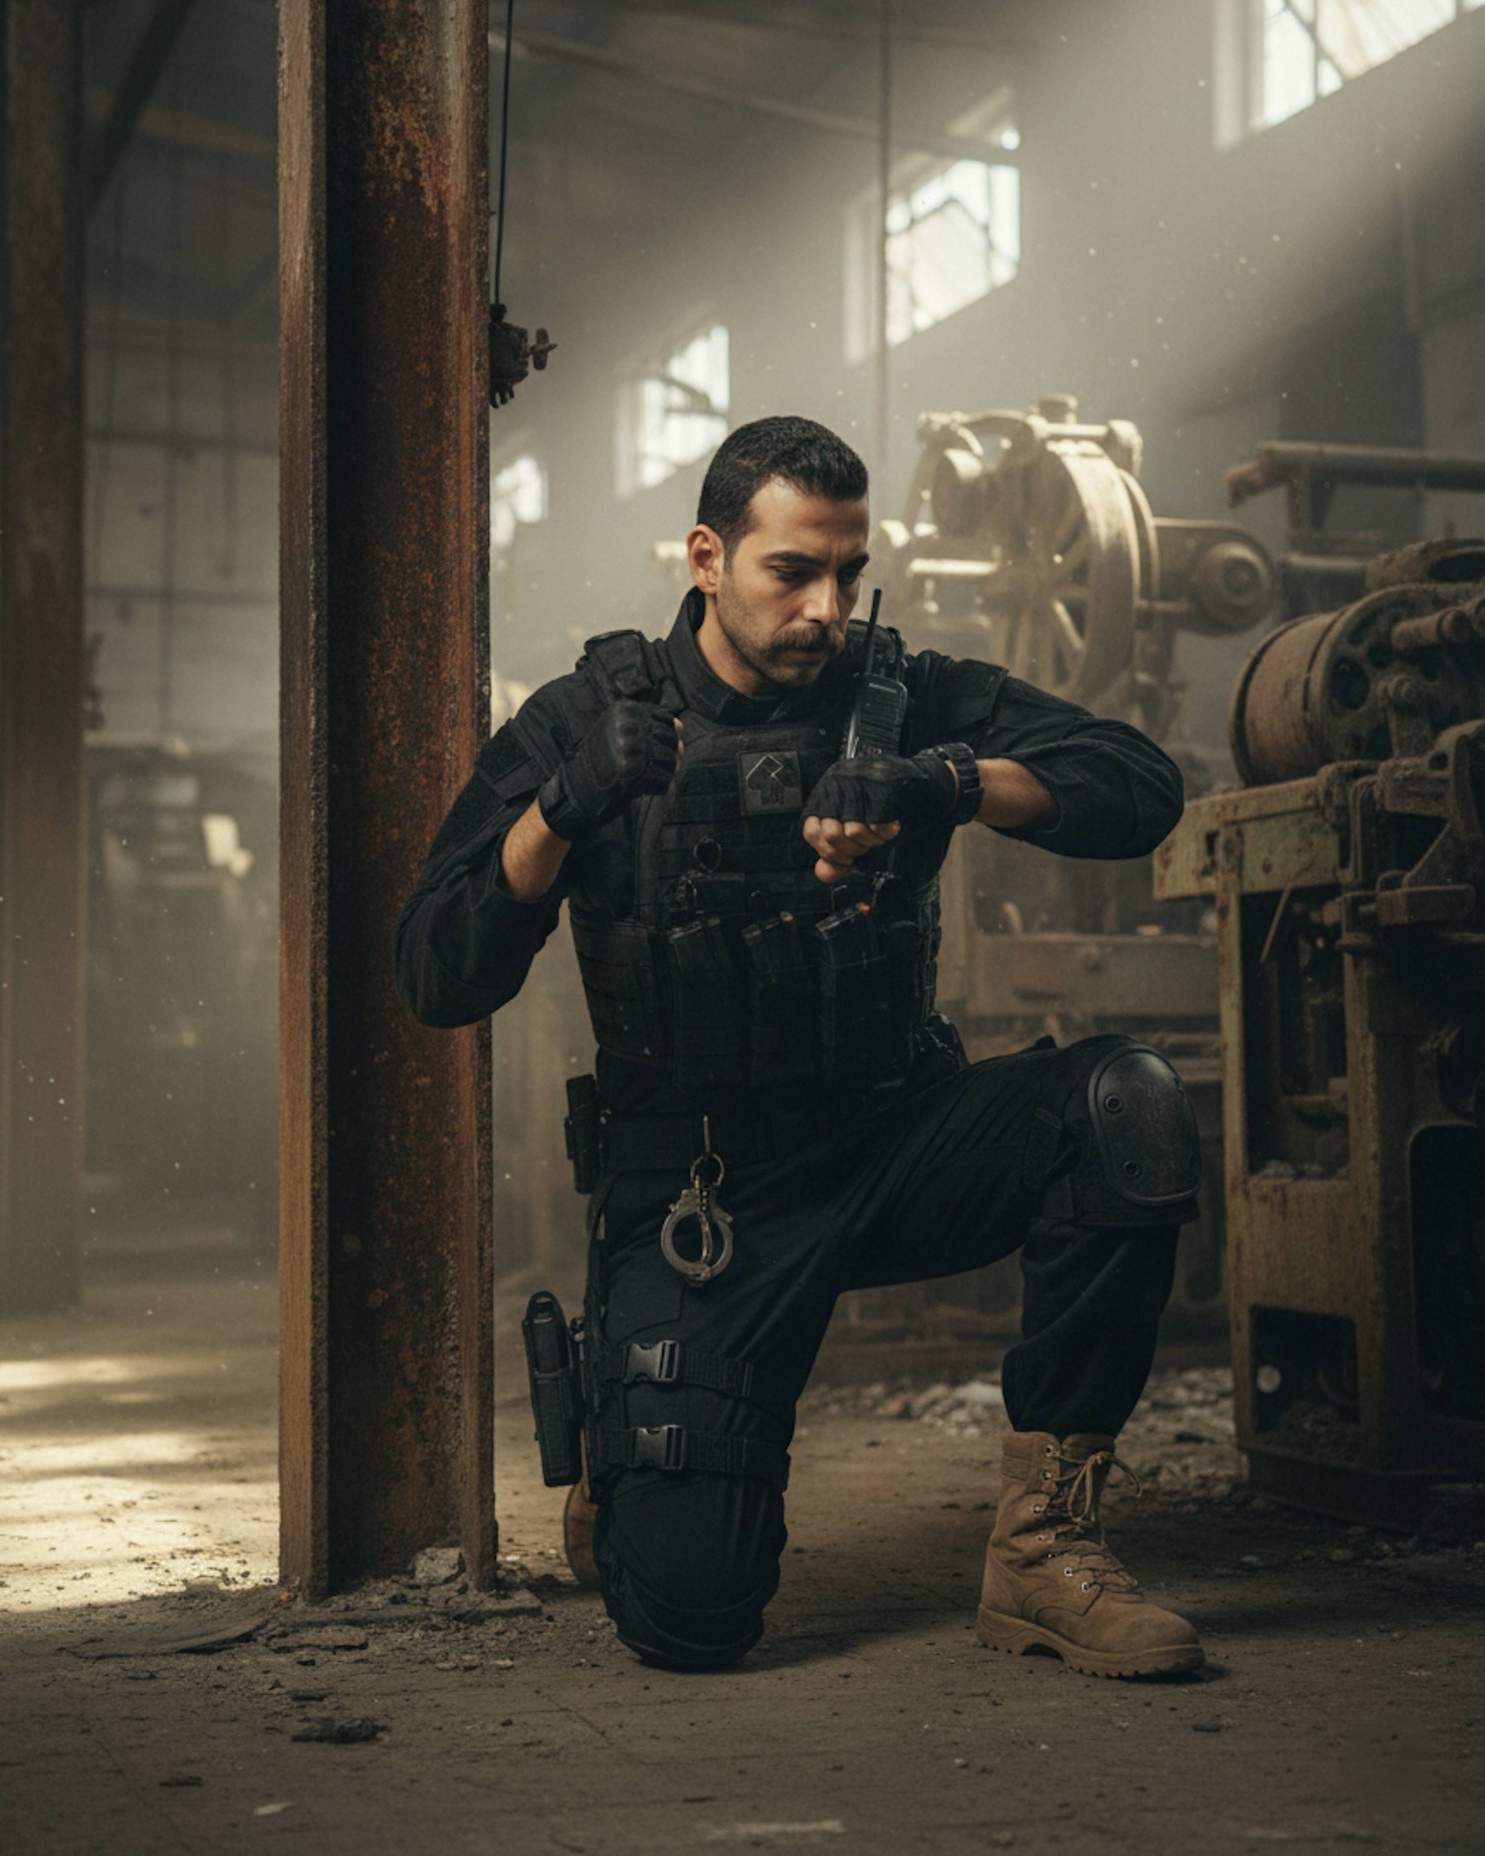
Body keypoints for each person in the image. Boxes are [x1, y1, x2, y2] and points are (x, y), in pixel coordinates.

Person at [394, 416, 1204, 1679]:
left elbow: (1139, 785)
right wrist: (559, 812)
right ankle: (637, 1452)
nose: (826, 607)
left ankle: (1044, 1548)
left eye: (848, 570)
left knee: (1126, 1104)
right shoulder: (586, 719)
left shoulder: (903, 695)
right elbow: (435, 970)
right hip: (701, 1195)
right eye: (791, 572)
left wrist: (946, 781)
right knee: (690, 1618)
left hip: (895, 1139)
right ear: (707, 556)